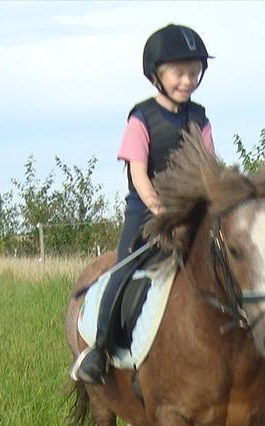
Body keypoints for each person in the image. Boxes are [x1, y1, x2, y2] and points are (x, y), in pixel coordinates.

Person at [70, 24, 215, 384]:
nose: (188, 80)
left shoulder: (200, 118)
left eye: (194, 71)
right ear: (157, 75)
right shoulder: (141, 118)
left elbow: (208, 170)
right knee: (122, 269)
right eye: (180, 72)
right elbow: (139, 173)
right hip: (146, 213)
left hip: (190, 211)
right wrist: (160, 210)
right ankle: (98, 350)